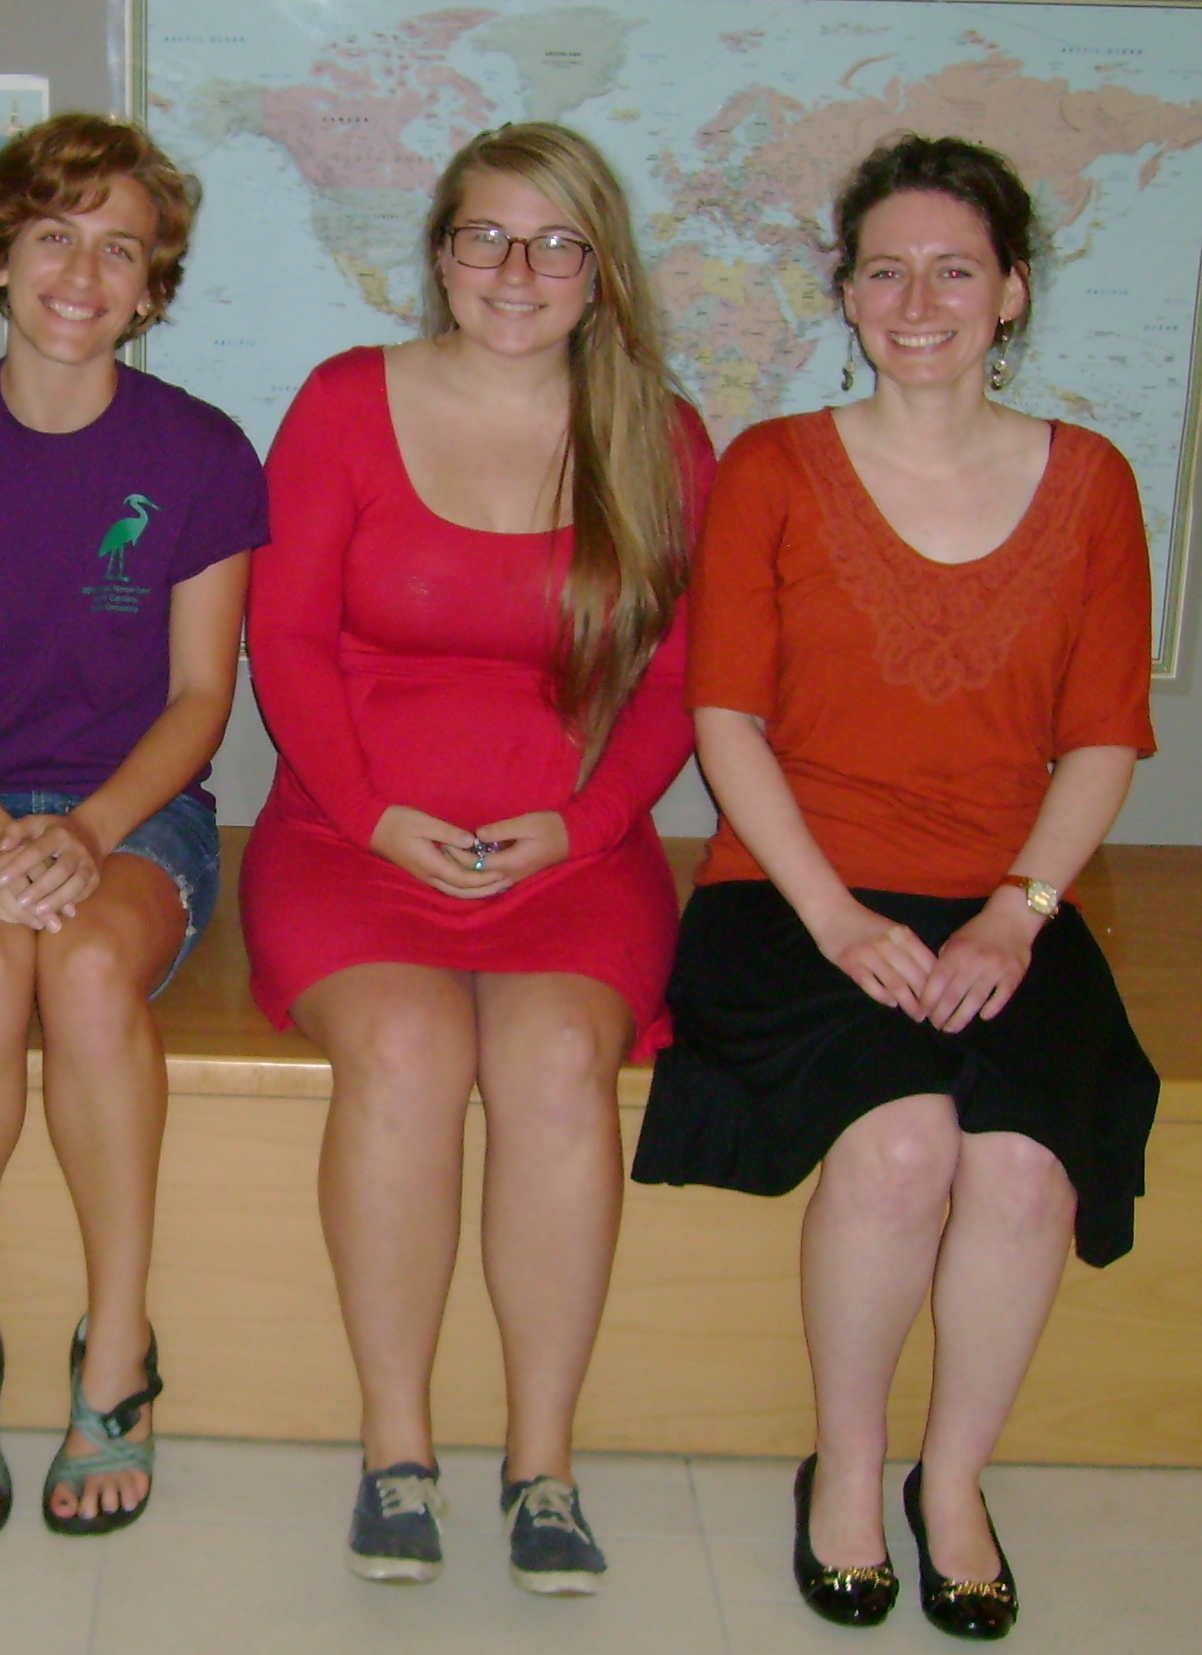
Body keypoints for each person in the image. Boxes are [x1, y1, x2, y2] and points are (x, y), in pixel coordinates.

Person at [634, 134, 1158, 1641]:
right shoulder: (774, 467)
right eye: (884, 271)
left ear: (1011, 292)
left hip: (1009, 902)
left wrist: (1018, 911)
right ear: (846, 294)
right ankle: (849, 1473)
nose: (917, 302)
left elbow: (1102, 736)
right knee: (904, 1142)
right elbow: (726, 719)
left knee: (1024, 1165)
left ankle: (956, 1482)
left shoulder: (1092, 480)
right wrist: (837, 917)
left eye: (953, 270)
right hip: (794, 892)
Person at [242, 121, 713, 1595]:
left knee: (558, 1064)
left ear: (600, 268)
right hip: (349, 834)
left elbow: (678, 677)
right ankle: (396, 1448)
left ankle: (542, 1463)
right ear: (440, 252)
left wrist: (583, 822)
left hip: (575, 850)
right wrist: (373, 811)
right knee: (405, 1048)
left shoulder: (660, 434)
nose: (518, 270)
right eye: (485, 236)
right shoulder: (343, 401)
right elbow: (283, 638)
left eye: (556, 241)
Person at [0, 113, 266, 1542]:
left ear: (152, 287)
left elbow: (202, 697)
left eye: (120, 249)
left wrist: (86, 832)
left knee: (86, 967)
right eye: (53, 236)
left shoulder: (203, 452)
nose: (81, 274)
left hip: (134, 813)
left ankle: (116, 1349)